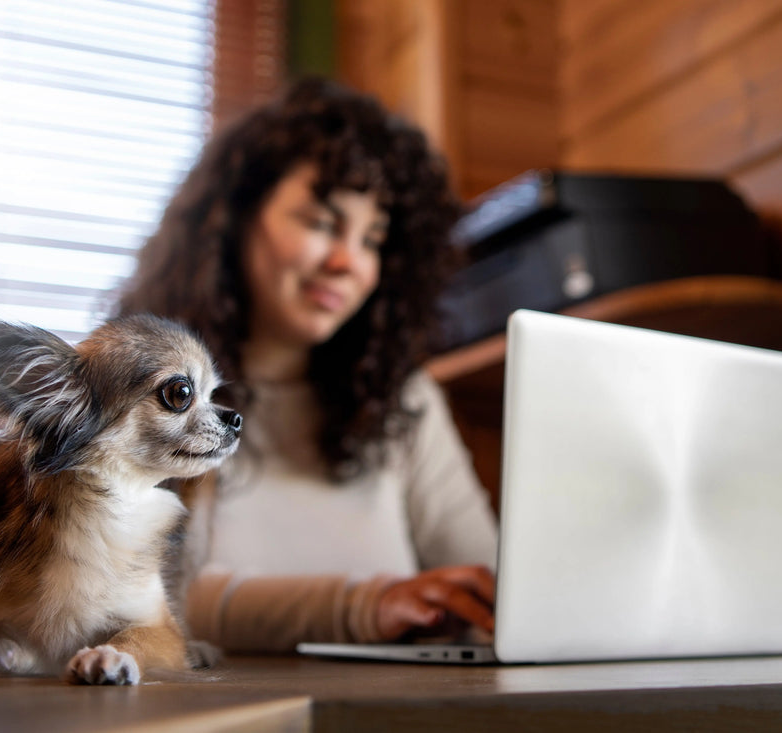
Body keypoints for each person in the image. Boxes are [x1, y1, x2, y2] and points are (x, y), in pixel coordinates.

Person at [115, 77, 498, 653]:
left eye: (373, 239)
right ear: (236, 218)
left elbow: (484, 588)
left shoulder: (405, 399)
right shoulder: (148, 394)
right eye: (323, 224)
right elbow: (152, 601)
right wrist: (365, 605)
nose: (349, 262)